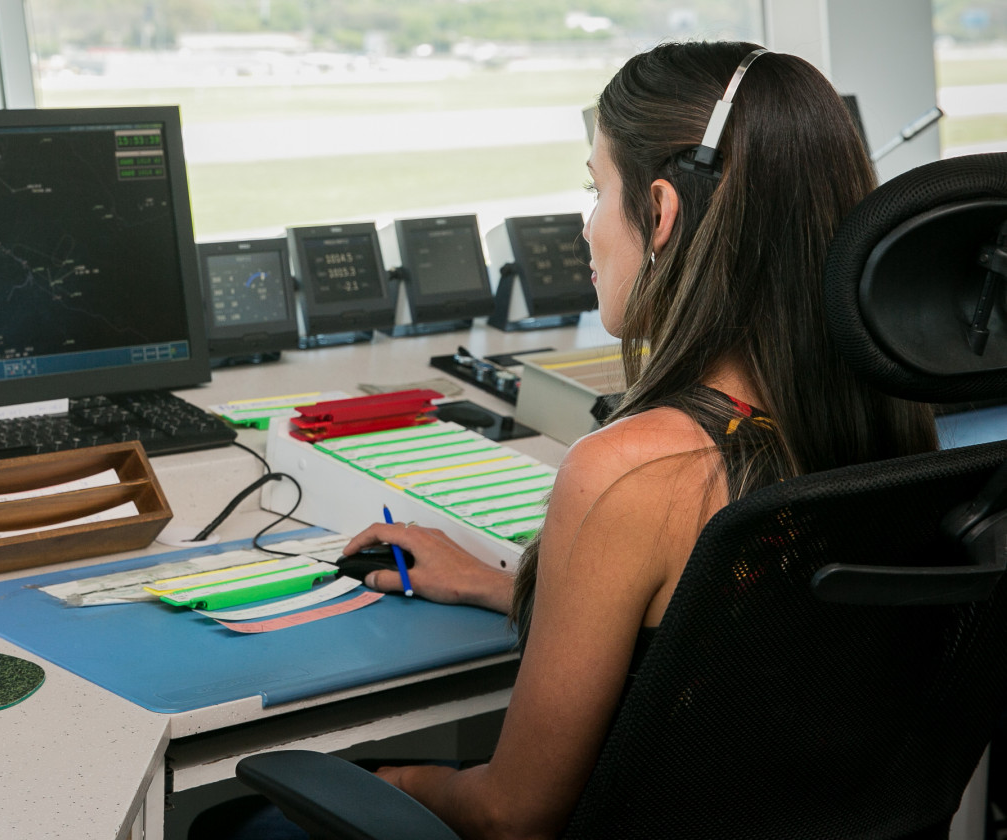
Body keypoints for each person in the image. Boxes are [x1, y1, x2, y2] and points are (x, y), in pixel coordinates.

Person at [188, 41, 936, 840]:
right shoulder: (898, 423)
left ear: (661, 212)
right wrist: (505, 585)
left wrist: (396, 779)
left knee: (237, 822)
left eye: (595, 189)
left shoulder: (632, 471)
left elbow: (514, 815)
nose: (586, 228)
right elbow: (740, 638)